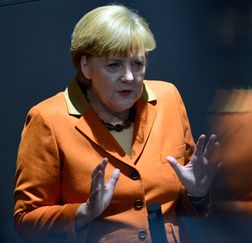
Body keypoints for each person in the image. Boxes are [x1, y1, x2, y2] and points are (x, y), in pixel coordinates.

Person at [13, 4, 220, 243]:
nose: (130, 77)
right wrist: (84, 212)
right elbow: (26, 221)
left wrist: (197, 194)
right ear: (86, 66)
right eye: (114, 65)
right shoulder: (47, 119)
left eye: (137, 64)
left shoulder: (168, 98)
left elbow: (187, 206)